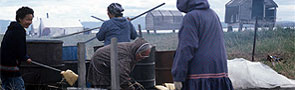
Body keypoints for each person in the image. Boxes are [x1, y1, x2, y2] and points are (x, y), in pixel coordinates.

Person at [171, 0, 234, 90]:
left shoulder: (191, 17)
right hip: (219, 70)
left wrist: (178, 75)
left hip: (198, 75)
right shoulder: (213, 15)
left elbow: (186, 47)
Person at [87, 38, 152, 90]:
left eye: (145, 57)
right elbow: (121, 74)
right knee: (105, 86)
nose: (142, 58)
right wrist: (129, 87)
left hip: (108, 63)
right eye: (142, 55)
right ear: (137, 51)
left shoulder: (131, 49)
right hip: (101, 65)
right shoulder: (125, 55)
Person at [0, 6, 33, 90]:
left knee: (7, 87)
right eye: (27, 19)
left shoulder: (11, 29)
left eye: (31, 20)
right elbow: (20, 48)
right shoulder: (19, 31)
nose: (29, 22)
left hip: (2, 65)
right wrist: (25, 58)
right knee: (19, 86)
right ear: (20, 19)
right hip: (10, 66)